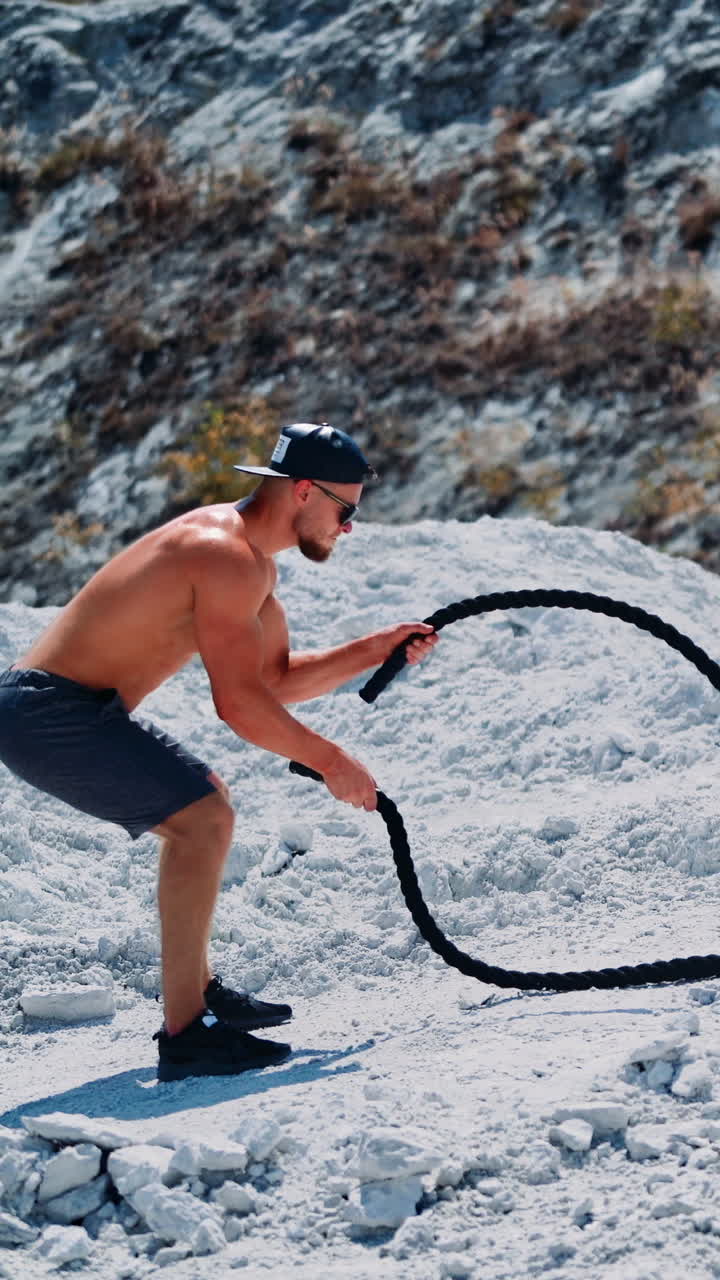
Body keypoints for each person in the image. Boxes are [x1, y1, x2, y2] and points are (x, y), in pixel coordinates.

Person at [0, 423, 438, 1081]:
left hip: (73, 711)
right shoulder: (222, 555)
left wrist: (373, 649)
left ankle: (197, 998)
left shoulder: (251, 564)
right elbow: (237, 706)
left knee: (207, 809)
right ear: (300, 492)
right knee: (202, 818)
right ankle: (187, 1033)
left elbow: (276, 682)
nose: (349, 527)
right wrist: (332, 762)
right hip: (45, 712)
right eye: (345, 509)